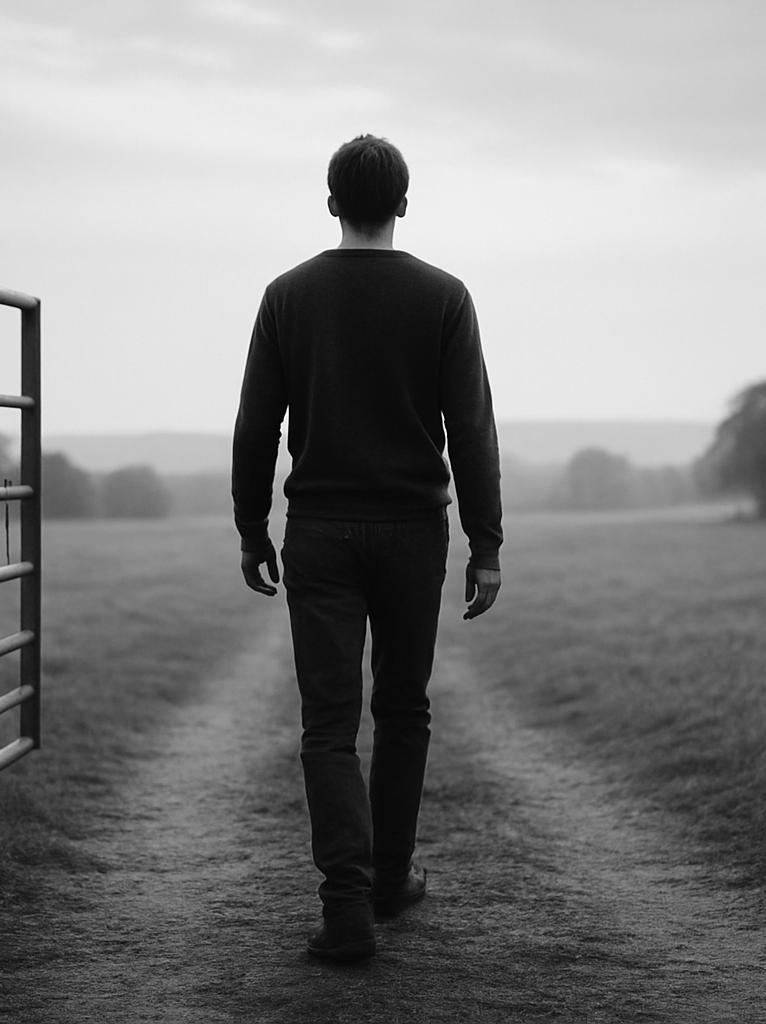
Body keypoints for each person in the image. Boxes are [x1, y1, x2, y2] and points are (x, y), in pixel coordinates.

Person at [231, 134, 503, 962]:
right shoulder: (445, 296)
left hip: (318, 532)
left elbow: (257, 425)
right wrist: (484, 544)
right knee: (403, 708)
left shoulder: (287, 295)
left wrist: (252, 528)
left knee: (328, 724)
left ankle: (346, 912)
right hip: (415, 532)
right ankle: (389, 881)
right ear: (405, 204)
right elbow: (471, 429)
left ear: (330, 203)